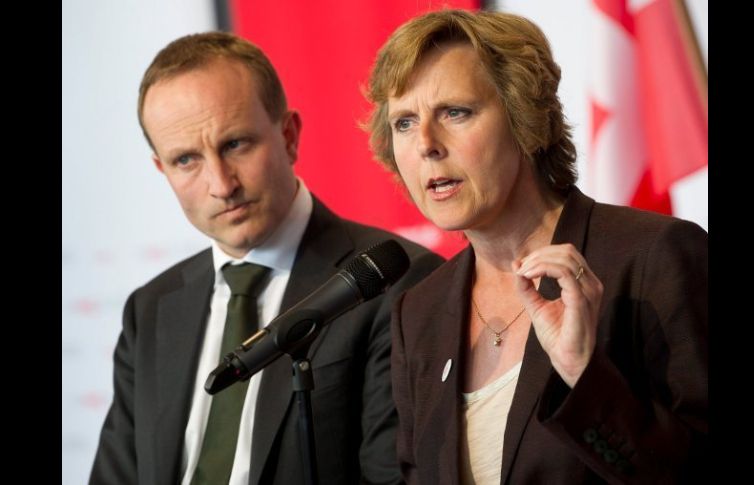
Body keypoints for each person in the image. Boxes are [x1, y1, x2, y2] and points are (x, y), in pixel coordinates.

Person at [365, 9, 707, 484]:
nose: (425, 143)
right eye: (403, 122)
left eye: (455, 112)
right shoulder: (418, 311)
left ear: (525, 118)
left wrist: (583, 375)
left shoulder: (653, 259)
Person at [89, 31, 444, 485]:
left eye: (236, 144)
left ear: (289, 135)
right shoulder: (151, 308)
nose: (221, 183)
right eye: (186, 161)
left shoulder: (394, 283)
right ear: (162, 169)